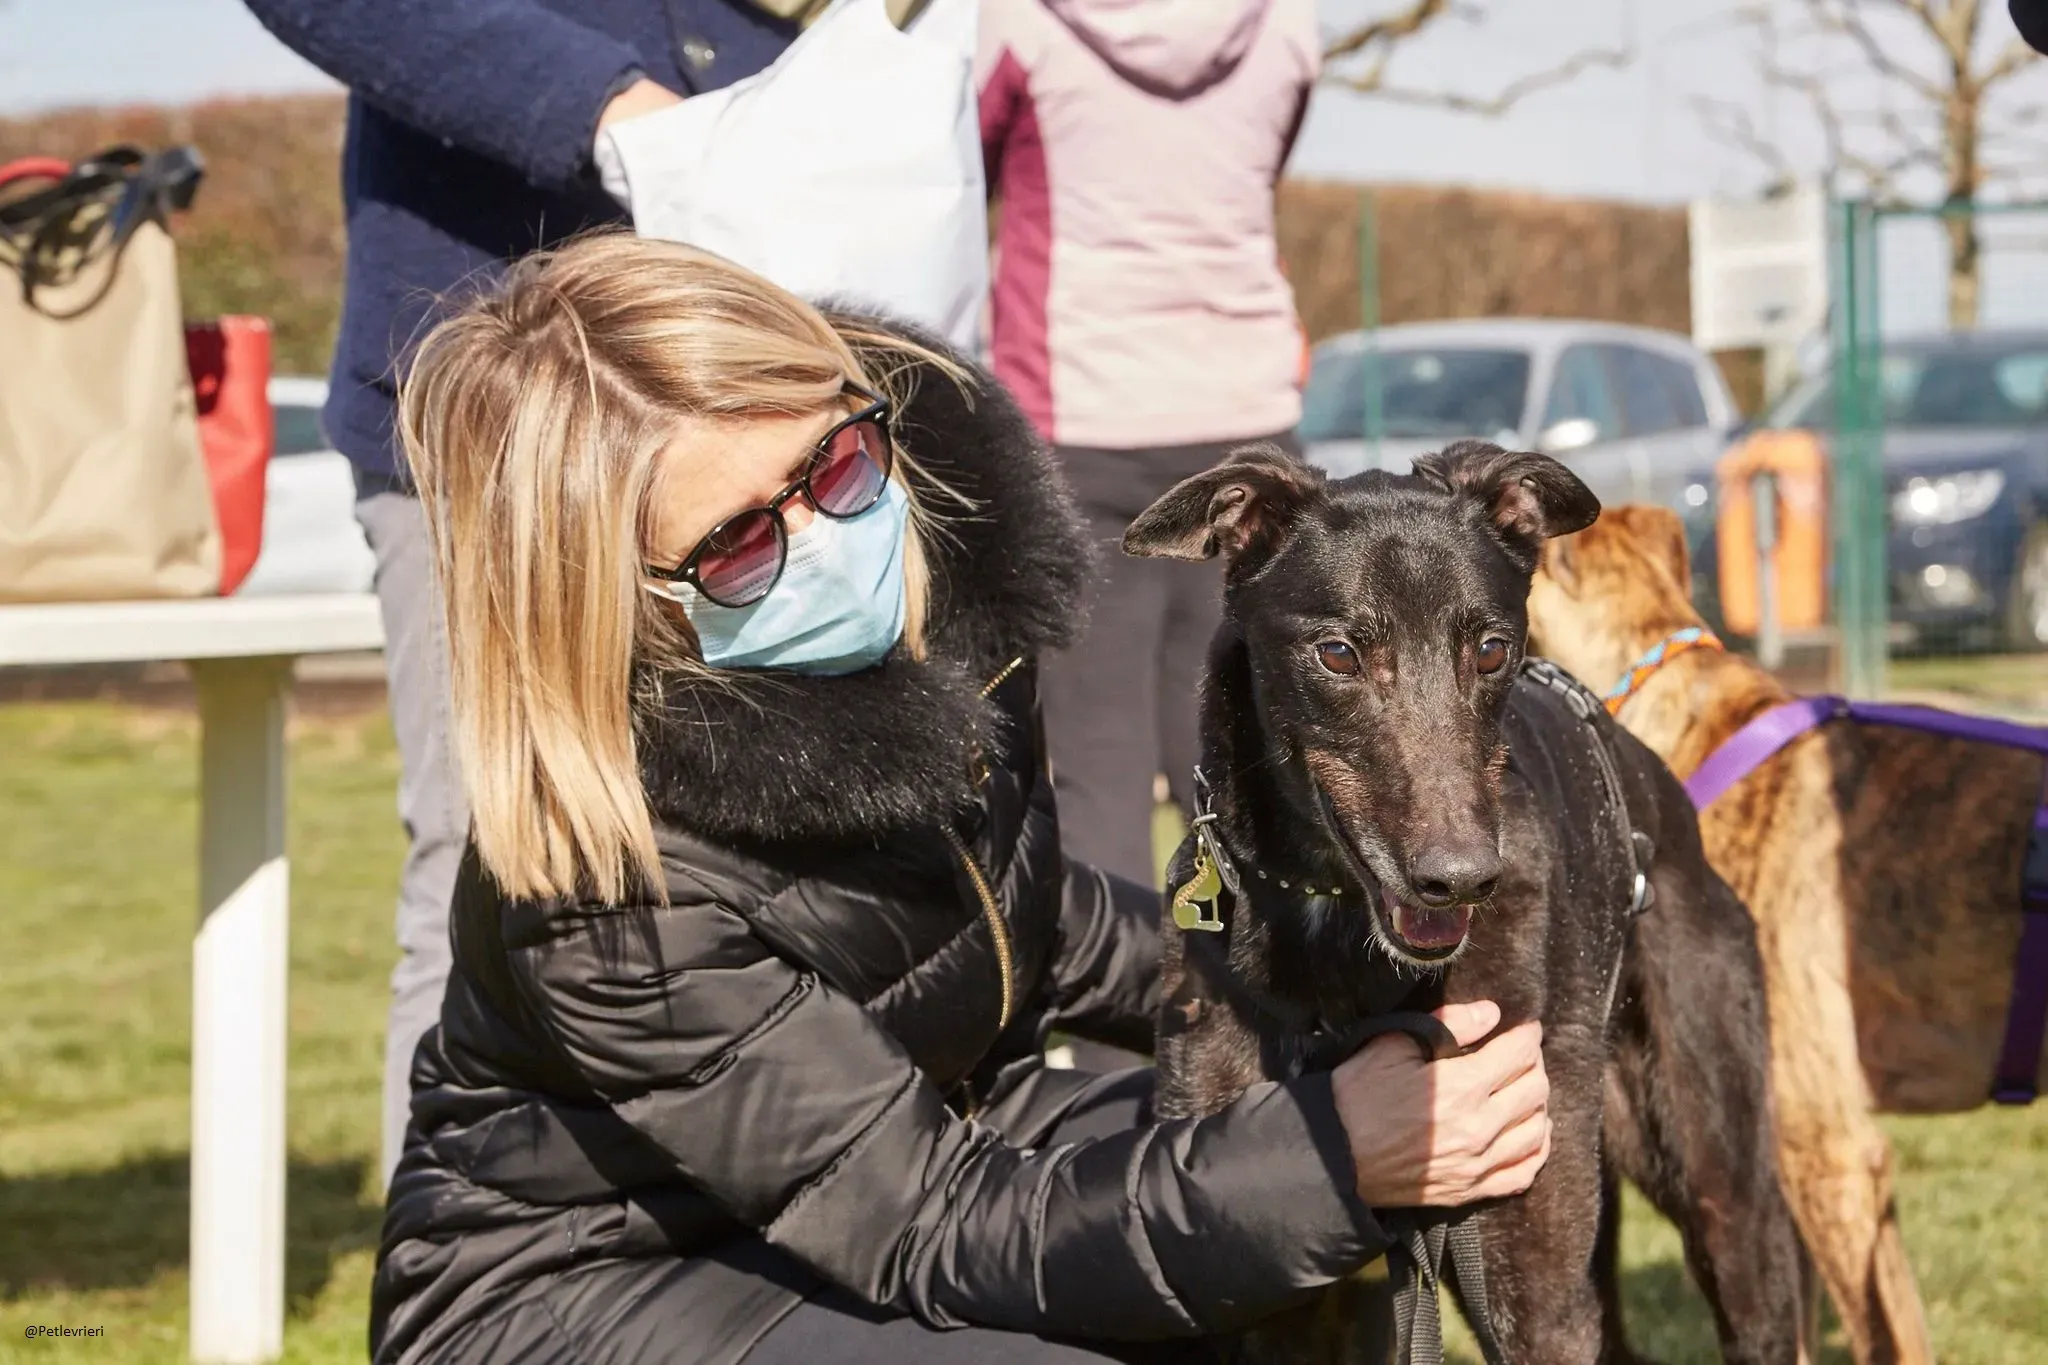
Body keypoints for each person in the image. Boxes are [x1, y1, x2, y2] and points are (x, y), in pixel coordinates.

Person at [369, 233, 1551, 1364]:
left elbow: (1023, 922)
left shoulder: (942, 626)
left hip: (911, 1154)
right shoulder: (613, 889)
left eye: (833, 465)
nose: (827, 537)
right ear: (615, 598)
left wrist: (1316, 993)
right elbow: (927, 1221)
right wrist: (1334, 1155)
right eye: (735, 544)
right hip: (594, 1289)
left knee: (1253, 1218)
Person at [241, 0, 795, 1186]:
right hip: (488, 404)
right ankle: (457, 1278)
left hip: (759, 393)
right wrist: (602, 105)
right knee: (499, 853)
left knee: (781, 858)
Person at [979, 0, 1319, 890]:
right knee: (1241, 765)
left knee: (1100, 769)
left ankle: (1121, 1027)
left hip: (1084, 420)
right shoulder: (1286, 23)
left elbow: (962, 165)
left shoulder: (1013, 22)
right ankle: (1264, 1016)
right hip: (1248, 423)